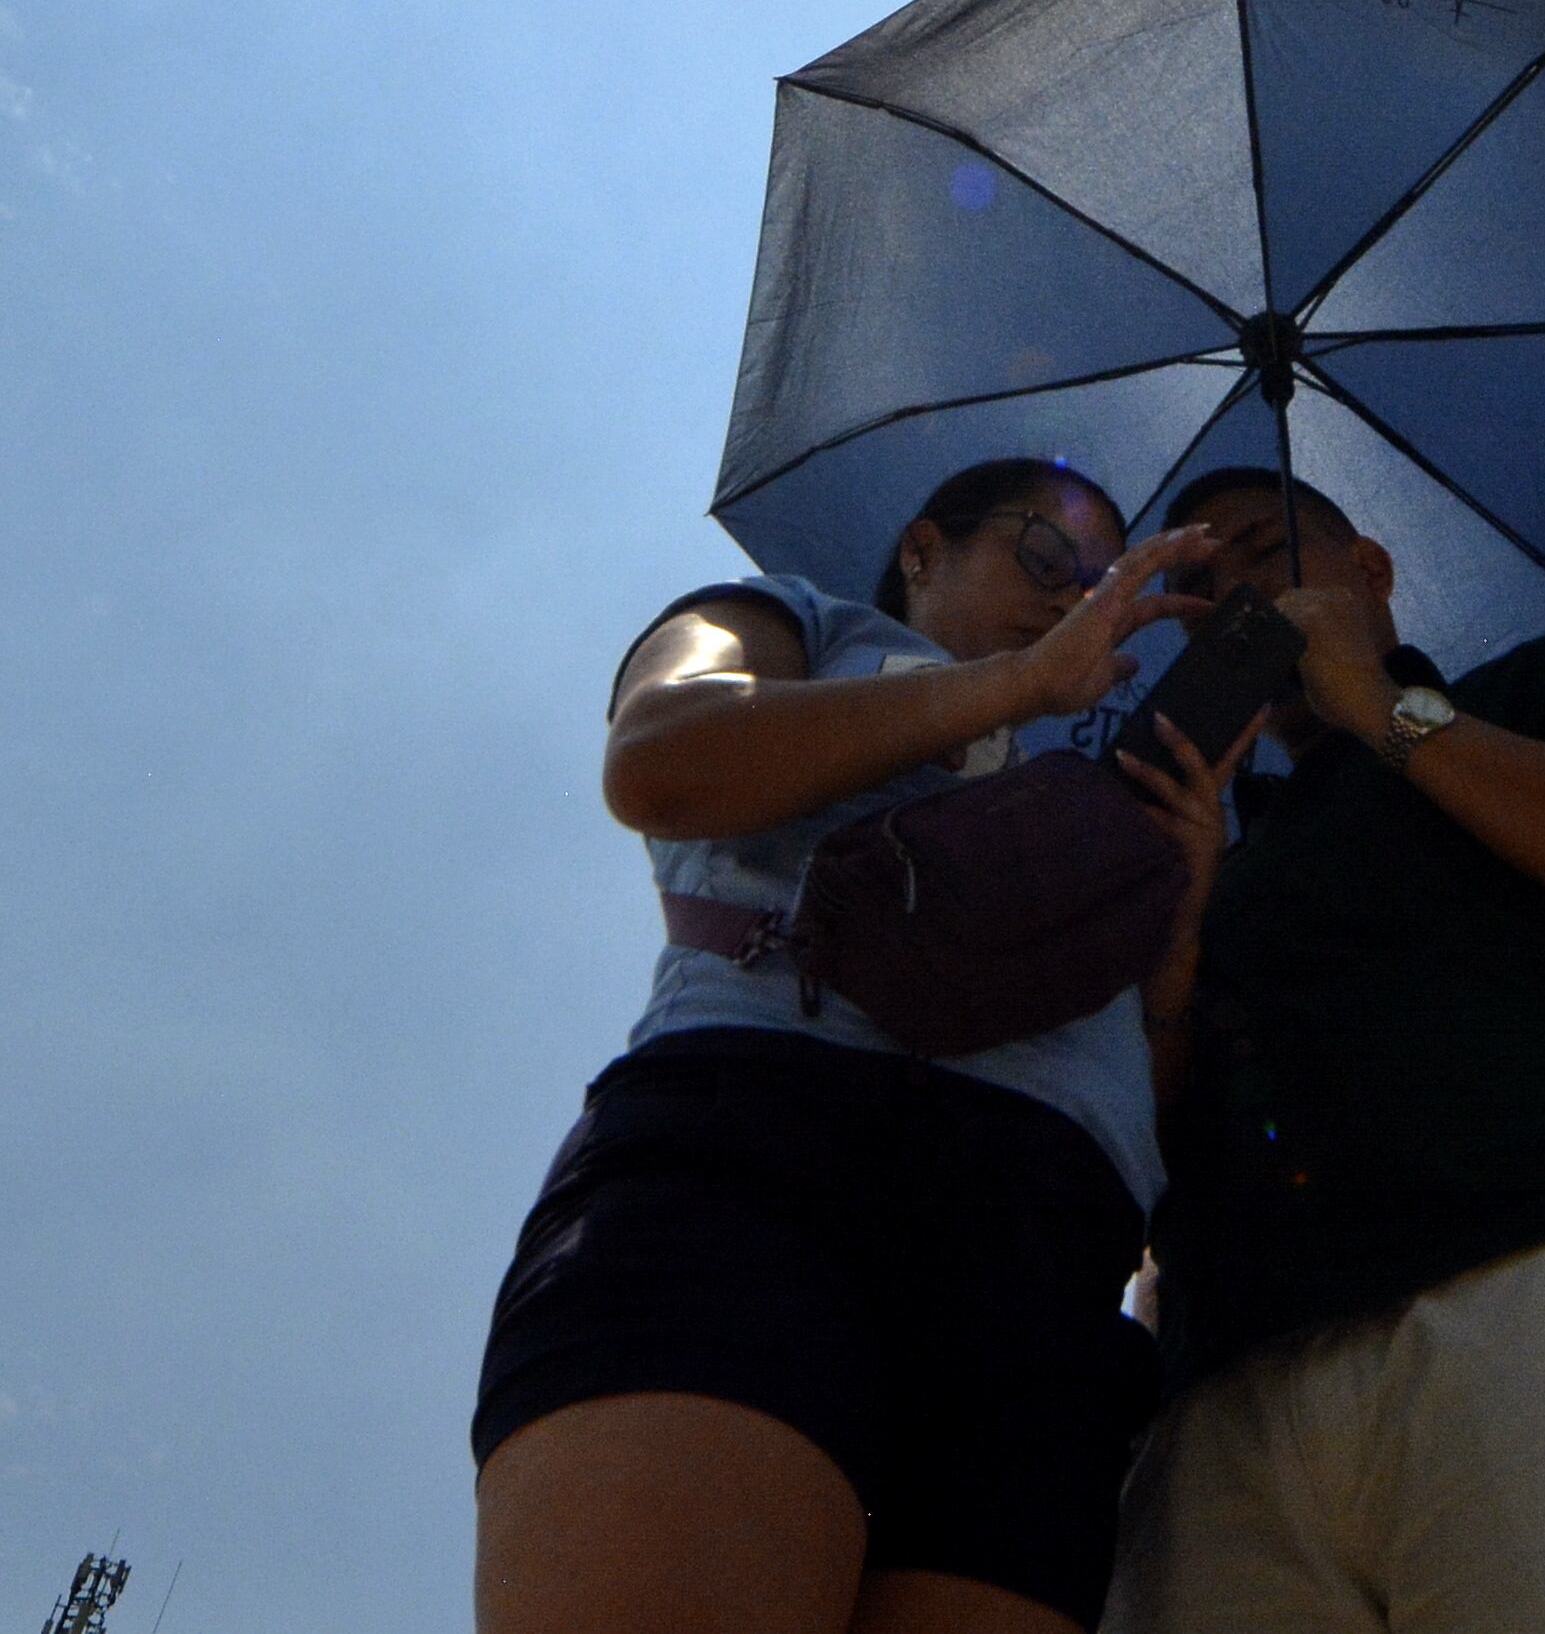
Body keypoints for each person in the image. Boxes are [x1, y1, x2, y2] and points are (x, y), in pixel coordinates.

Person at [471, 457, 1257, 1634]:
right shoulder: (793, 621)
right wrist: (1010, 684)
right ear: (923, 545)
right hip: (759, 1150)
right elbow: (662, 754)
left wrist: (1181, 934)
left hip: (1048, 1241)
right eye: (1047, 559)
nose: (1077, 601)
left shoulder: (1128, 783)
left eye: (1100, 585)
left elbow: (1160, 1103)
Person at [1102, 466, 1545, 1634]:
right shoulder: (1208, 852)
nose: (1234, 599)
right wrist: (1171, 937)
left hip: (1543, 1303)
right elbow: (1140, 1147)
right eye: (1201, 587)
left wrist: (1383, 708)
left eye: (1265, 554)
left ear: (1369, 571)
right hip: (1223, 1401)